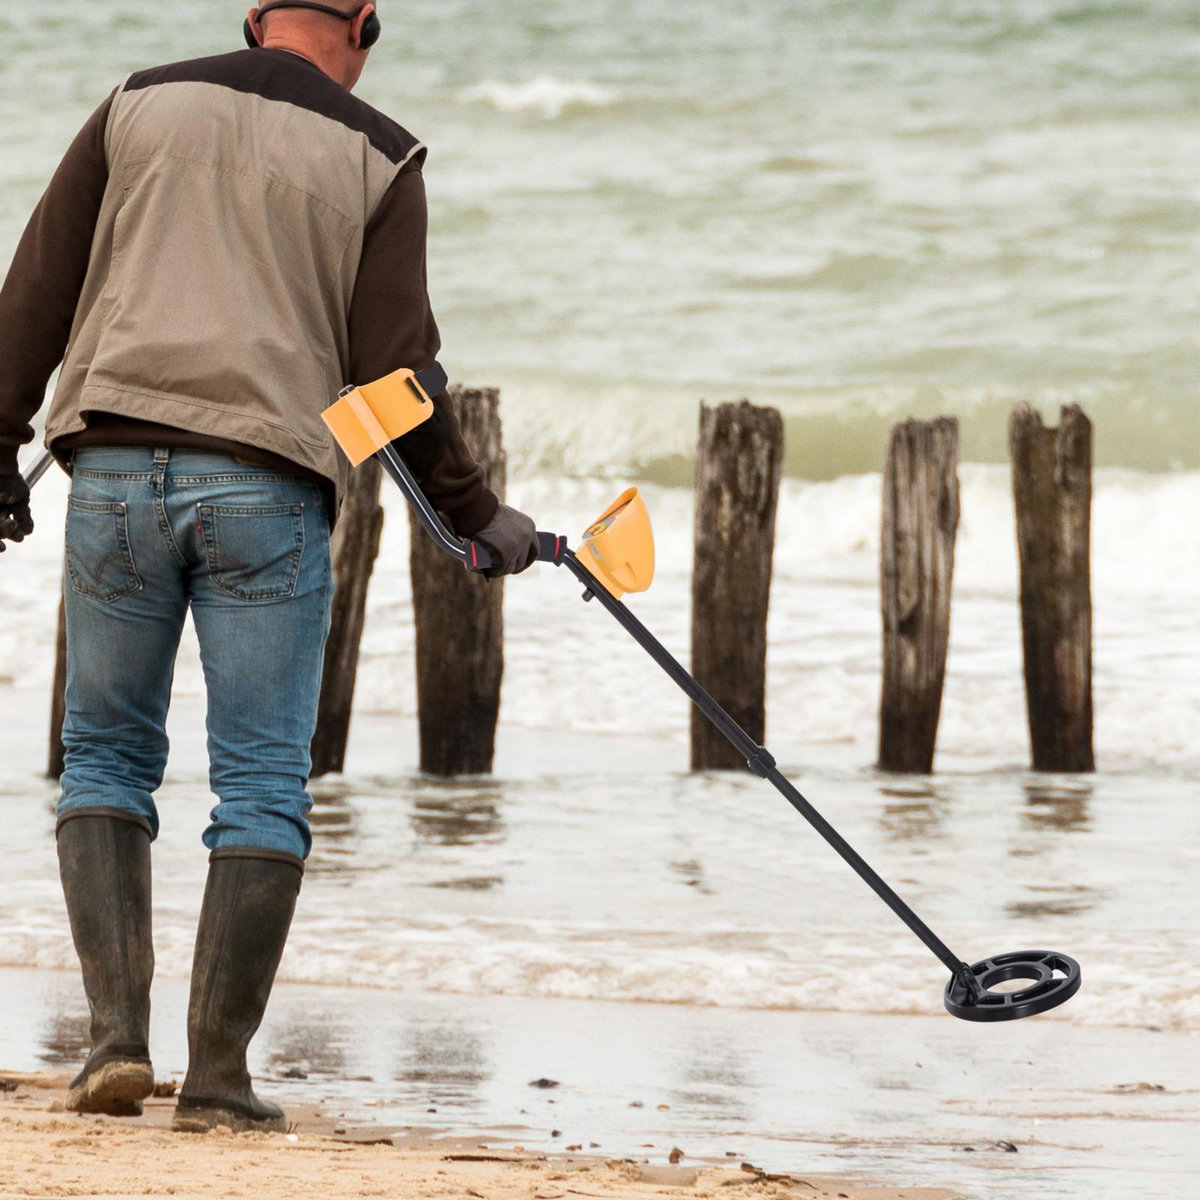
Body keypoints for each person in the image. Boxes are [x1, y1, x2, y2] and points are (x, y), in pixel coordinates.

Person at [0, 1, 539, 1133]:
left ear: (254, 19)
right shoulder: (382, 155)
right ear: (364, 26)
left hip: (112, 473)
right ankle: (217, 1080)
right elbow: (393, 372)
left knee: (104, 757)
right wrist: (476, 514)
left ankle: (113, 1044)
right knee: (259, 781)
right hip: (266, 486)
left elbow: (36, 288)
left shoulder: (136, 101)